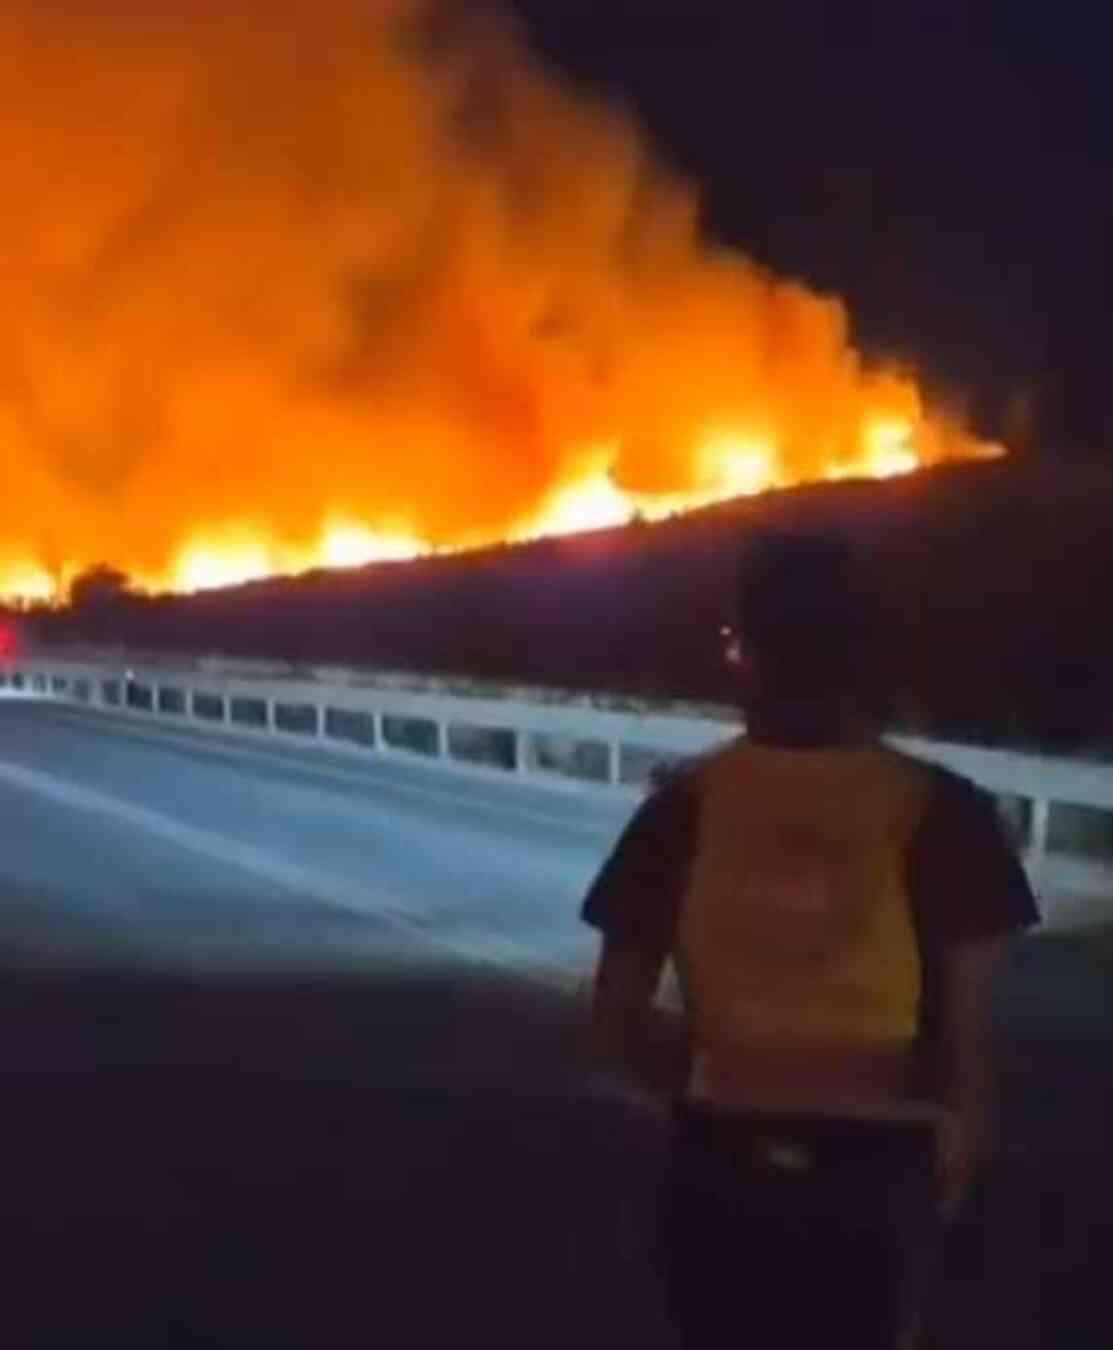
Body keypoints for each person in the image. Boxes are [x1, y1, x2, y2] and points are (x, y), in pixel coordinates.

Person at [580, 528, 1039, 1348]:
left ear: (742, 653)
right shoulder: (941, 811)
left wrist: (715, 1088)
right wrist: (950, 1160)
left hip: (720, 1164)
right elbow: (968, 1043)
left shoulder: (683, 806)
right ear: (865, 657)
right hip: (881, 1170)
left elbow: (614, 1019)